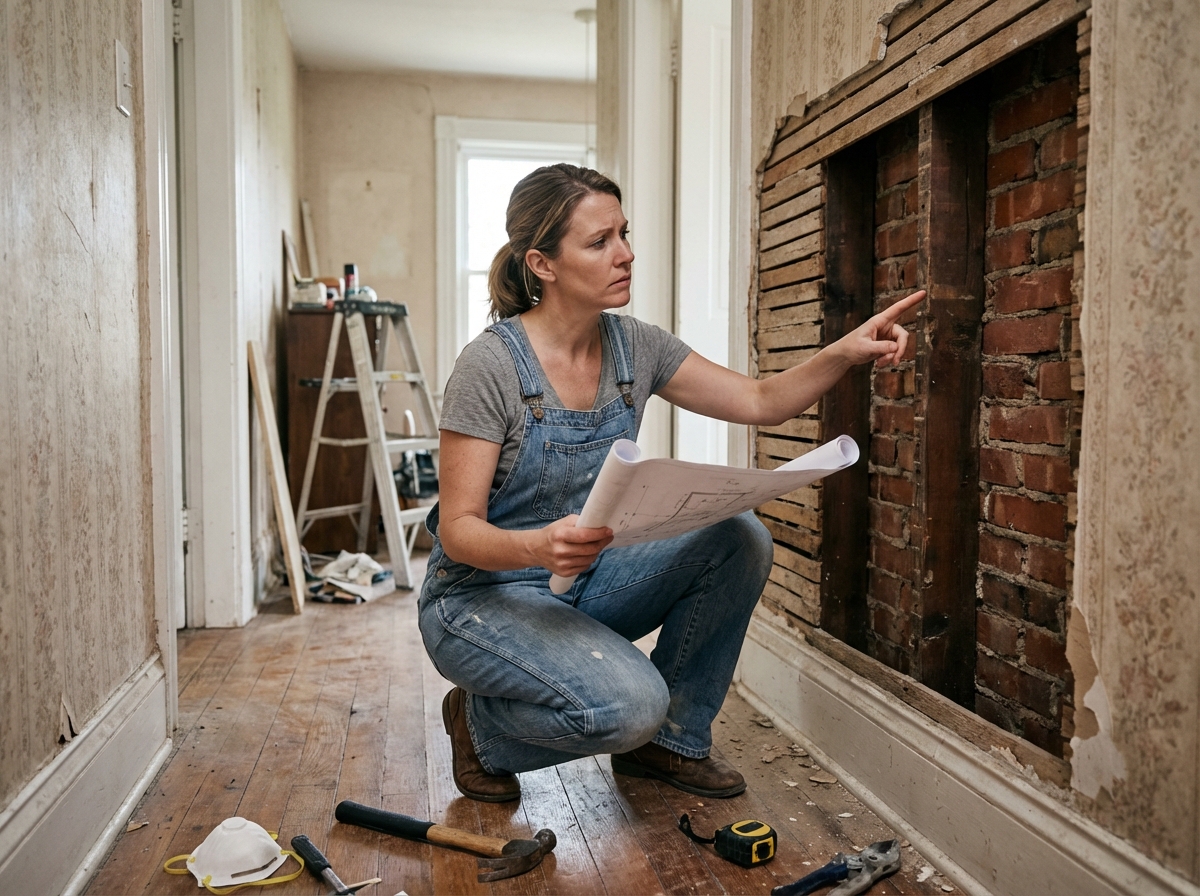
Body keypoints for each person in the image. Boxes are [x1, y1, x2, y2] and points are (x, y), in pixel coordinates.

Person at [419, 163, 924, 803]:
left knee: (738, 537)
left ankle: (672, 741)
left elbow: (762, 400)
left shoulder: (637, 347)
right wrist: (537, 547)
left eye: (624, 234)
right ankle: (480, 726)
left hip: (578, 578)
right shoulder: (489, 366)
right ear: (542, 263)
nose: (626, 254)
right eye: (600, 242)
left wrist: (844, 353)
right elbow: (460, 532)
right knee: (629, 709)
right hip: (482, 599)